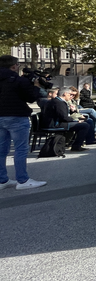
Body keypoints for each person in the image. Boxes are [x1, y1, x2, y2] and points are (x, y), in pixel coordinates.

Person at [0, 55, 47, 190]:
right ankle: (23, 180)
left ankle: (2, 180)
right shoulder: (17, 80)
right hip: (16, 116)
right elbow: (31, 97)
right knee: (20, 149)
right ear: (14, 66)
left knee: (1, 150)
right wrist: (36, 86)